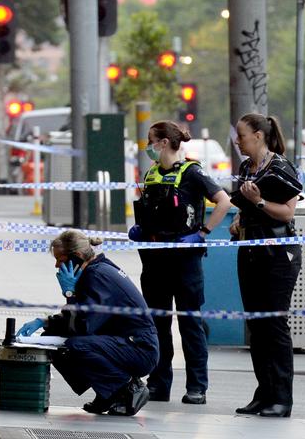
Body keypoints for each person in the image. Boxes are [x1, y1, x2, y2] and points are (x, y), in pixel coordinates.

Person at [128, 120, 231, 405]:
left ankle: (197, 386)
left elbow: (223, 201)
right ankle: (159, 384)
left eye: (150, 140)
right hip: (155, 260)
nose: (147, 146)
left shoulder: (192, 172)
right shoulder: (151, 174)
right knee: (158, 324)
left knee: (189, 324)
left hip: (185, 261)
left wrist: (203, 233)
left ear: (163, 143)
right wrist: (140, 230)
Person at [16, 229, 159, 416]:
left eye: (60, 259)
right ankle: (107, 393)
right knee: (51, 340)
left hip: (139, 348)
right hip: (122, 342)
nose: (57, 265)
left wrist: (69, 294)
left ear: (76, 257)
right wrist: (45, 322)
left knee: (75, 345)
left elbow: (84, 326)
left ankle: (127, 388)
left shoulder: (97, 276)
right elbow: (83, 318)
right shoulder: (93, 271)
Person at [230, 113, 303, 418]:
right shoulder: (247, 167)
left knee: (274, 325)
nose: (238, 141)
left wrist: (259, 202)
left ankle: (281, 397)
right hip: (250, 251)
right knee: (256, 326)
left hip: (277, 255)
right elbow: (244, 205)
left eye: (242, 135)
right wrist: (239, 219)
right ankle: (264, 393)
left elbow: (286, 213)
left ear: (259, 135)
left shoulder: (281, 167)